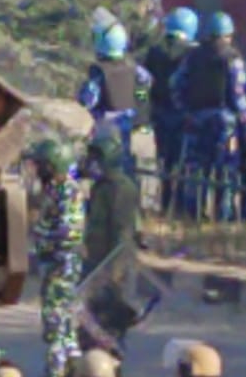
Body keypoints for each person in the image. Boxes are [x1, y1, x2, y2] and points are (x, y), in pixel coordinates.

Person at [170, 11, 246, 220]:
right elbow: (238, 92)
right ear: (228, 35)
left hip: (196, 118)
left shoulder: (193, 56)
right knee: (225, 170)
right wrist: (245, 117)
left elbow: (176, 84)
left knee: (196, 169)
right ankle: (223, 214)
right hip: (225, 122)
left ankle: (194, 213)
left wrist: (184, 110)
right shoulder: (233, 58)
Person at [27, 139, 86, 377]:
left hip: (62, 267)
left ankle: (59, 370)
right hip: (54, 266)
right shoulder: (54, 190)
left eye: (42, 165)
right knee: (62, 324)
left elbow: (69, 232)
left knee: (58, 324)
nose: (37, 170)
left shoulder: (68, 192)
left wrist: (42, 239)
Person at [81, 125, 141, 351]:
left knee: (109, 327)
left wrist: (113, 274)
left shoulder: (121, 188)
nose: (93, 162)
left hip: (111, 268)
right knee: (90, 324)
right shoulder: (101, 187)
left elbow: (122, 233)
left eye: (98, 157)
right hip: (96, 264)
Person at [78, 22, 154, 178]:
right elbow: (145, 85)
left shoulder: (100, 73)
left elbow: (88, 100)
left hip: (105, 124)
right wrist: (138, 104)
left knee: (103, 164)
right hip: (127, 122)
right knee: (124, 163)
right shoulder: (135, 69)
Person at [142, 7, 199, 210]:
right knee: (183, 163)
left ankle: (165, 201)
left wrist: (144, 104)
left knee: (164, 161)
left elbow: (144, 84)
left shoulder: (155, 51)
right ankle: (182, 205)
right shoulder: (193, 54)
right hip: (184, 114)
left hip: (160, 113)